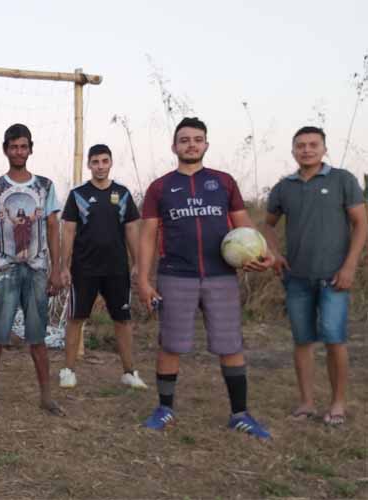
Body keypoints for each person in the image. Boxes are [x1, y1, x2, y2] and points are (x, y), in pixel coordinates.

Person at [137, 117, 273, 438]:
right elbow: (147, 237)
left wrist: (260, 254)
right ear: (174, 146)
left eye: (197, 139)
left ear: (206, 145)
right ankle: (165, 408)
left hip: (220, 276)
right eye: (184, 140)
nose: (191, 145)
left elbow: (243, 225)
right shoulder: (160, 187)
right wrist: (143, 279)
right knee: (171, 344)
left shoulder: (224, 182)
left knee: (230, 345)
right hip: (175, 275)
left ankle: (239, 413)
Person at [261, 126, 367, 426]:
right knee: (303, 340)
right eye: (300, 145)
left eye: (313, 144)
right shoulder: (284, 187)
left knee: (335, 339)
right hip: (297, 278)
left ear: (324, 148)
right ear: (293, 150)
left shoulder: (342, 180)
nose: (307, 150)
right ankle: (306, 403)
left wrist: (349, 267)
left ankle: (337, 403)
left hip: (334, 277)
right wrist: (275, 253)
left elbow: (361, 224)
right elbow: (268, 224)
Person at [0, 123, 64, 417]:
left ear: (30, 149)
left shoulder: (44, 186)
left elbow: (52, 228)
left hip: (37, 270)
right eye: (13, 146)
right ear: (5, 150)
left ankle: (46, 396)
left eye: (23, 146)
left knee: (37, 337)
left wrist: (56, 269)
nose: (18, 151)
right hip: (3, 270)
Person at [58, 144, 147, 390]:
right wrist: (64, 267)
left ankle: (129, 372)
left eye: (104, 161)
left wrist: (138, 263)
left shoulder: (123, 194)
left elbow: (131, 229)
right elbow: (68, 230)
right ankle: (68, 371)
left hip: (116, 269)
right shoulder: (78, 195)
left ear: (110, 163)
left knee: (123, 319)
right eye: (95, 161)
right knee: (76, 318)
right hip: (84, 269)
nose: (100, 166)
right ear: (89, 164)